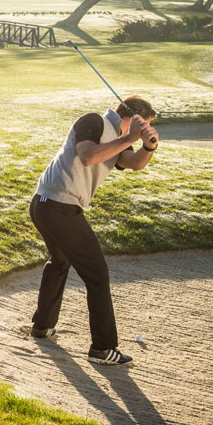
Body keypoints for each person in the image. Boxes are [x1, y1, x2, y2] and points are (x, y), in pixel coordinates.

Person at [28, 95, 159, 365]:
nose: (144, 130)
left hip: (49, 206)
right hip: (57, 206)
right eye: (144, 125)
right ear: (133, 119)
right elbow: (87, 157)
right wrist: (130, 137)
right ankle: (102, 348)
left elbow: (134, 163)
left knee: (60, 261)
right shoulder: (94, 122)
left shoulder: (116, 139)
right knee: (97, 275)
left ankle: (42, 326)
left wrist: (148, 147)